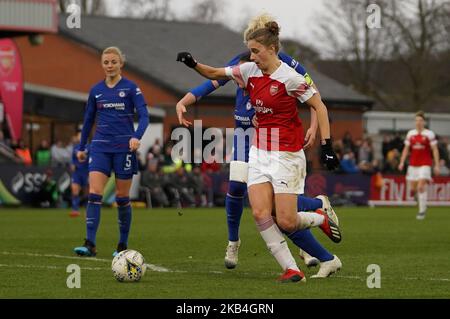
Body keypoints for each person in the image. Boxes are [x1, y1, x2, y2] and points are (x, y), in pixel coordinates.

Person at [177, 15, 341, 282]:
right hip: (258, 151)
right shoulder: (248, 70)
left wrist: (327, 144)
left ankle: (320, 217)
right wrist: (193, 63)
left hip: (287, 154)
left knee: (286, 221)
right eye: (250, 51)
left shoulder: (290, 77)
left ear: (272, 49)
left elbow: (319, 105)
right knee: (260, 213)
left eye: (256, 51)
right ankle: (291, 269)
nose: (251, 57)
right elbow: (215, 74)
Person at [74, 46, 149, 257]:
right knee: (94, 193)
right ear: (102, 64)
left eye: (113, 62)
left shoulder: (132, 88)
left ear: (121, 63)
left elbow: (144, 116)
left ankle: (122, 246)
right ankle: (90, 244)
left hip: (123, 148)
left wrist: (136, 136)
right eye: (106, 62)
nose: (109, 66)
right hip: (100, 146)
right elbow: (88, 121)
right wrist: (82, 147)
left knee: (121, 197)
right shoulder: (96, 90)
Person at [398, 111, 440, 220]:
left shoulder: (429, 134)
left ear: (424, 122)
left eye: (420, 120)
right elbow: (406, 149)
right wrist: (402, 162)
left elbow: (434, 150)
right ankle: (421, 202)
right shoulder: (410, 134)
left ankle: (422, 211)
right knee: (413, 189)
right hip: (413, 164)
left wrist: (437, 165)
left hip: (425, 164)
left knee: (421, 187)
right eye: (416, 120)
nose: (418, 122)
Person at [69, 130, 89, 217]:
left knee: (87, 192)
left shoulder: (90, 147)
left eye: (82, 135)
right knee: (74, 190)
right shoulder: (75, 147)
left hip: (86, 172)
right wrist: (72, 164)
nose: (80, 137)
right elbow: (73, 159)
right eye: (79, 136)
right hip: (77, 172)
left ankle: (88, 210)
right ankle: (75, 210)